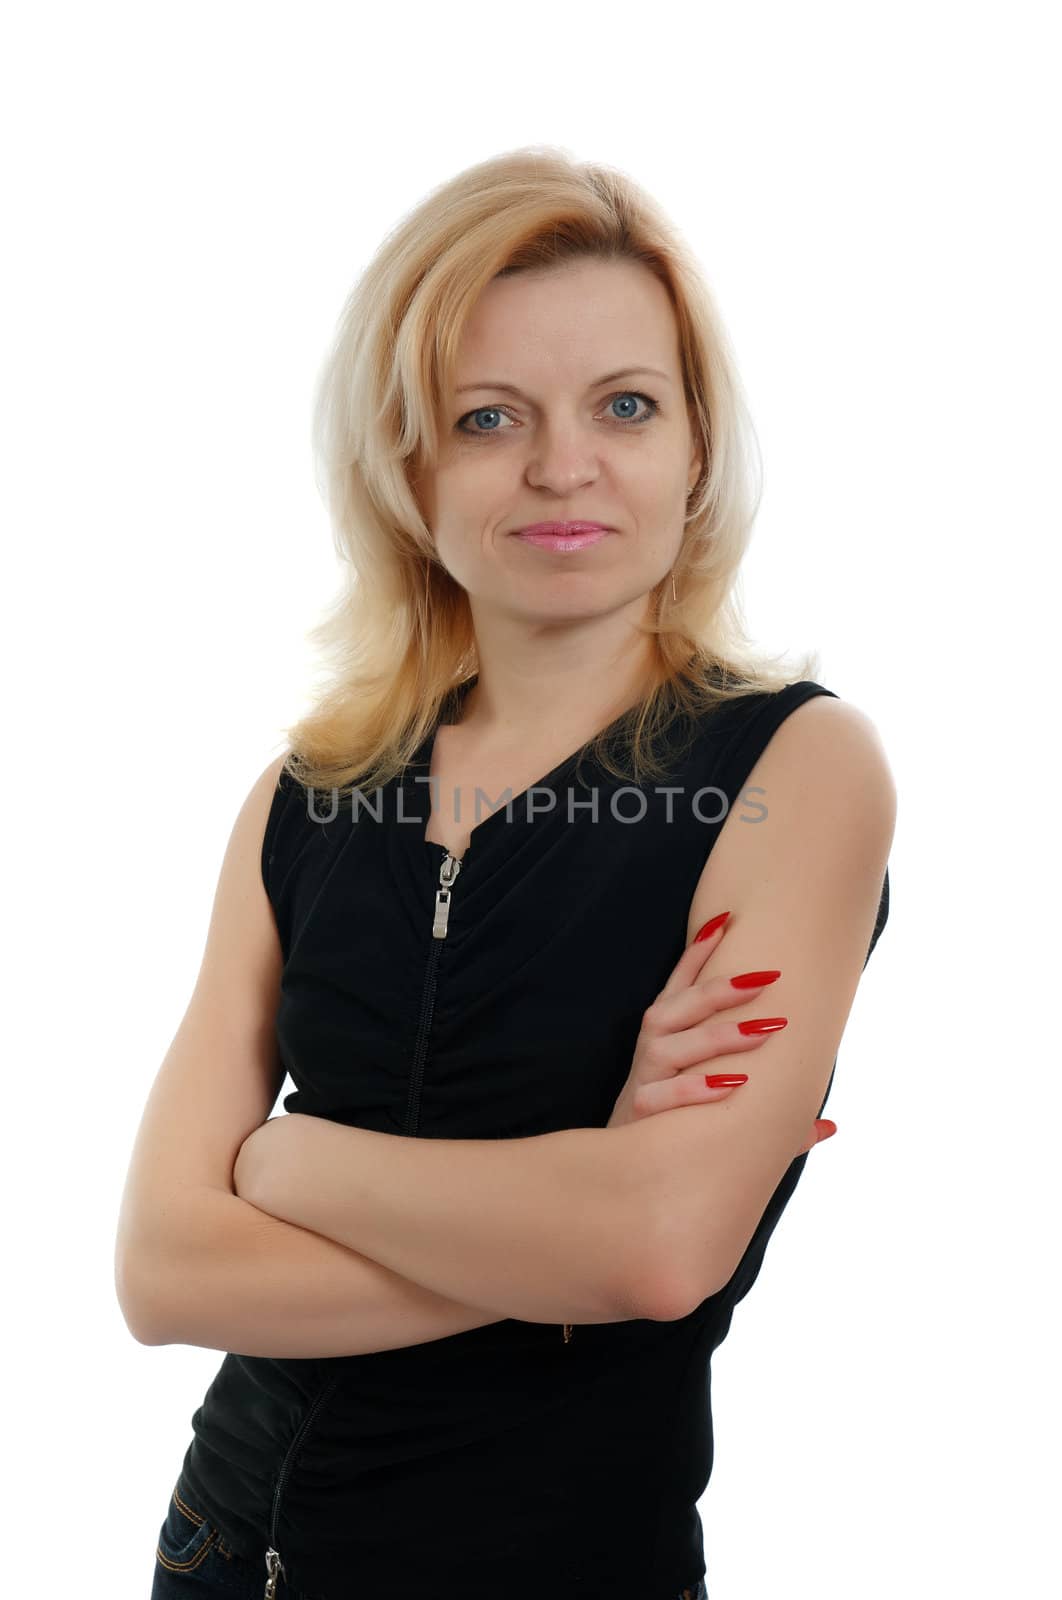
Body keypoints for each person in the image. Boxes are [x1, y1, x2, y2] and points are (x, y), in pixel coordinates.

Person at [117, 146, 894, 1600]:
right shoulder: (305, 796)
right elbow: (165, 1272)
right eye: (489, 418)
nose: (561, 466)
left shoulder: (798, 768)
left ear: (697, 447)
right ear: (408, 470)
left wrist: (285, 1164)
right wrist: (567, 1228)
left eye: (625, 405)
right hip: (233, 1553)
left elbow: (661, 1255)